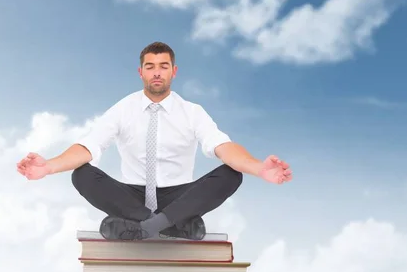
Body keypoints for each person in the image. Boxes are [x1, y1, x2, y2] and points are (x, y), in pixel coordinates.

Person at [16, 42, 292, 241]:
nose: (157, 72)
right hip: (131, 196)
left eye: (163, 66)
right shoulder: (123, 108)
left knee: (232, 174)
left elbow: (223, 147)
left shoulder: (192, 112)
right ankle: (173, 226)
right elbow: (89, 145)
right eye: (150, 67)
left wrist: (257, 168)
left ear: (174, 71)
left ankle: (145, 227)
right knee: (82, 175)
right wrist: (49, 166)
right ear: (141, 72)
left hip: (180, 195)